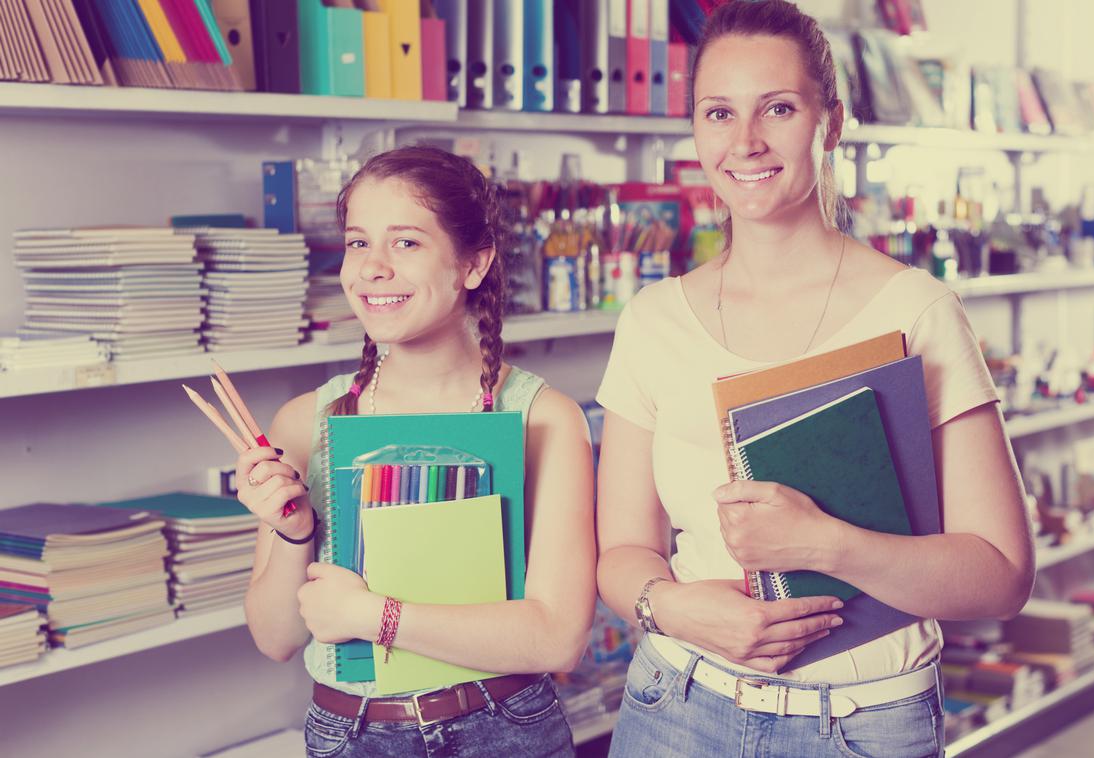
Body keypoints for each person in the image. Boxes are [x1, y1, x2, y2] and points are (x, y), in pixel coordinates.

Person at [595, 3, 1034, 756]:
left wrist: (826, 545)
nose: (746, 142)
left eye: (779, 108)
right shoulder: (652, 319)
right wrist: (671, 607)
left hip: (860, 723)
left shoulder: (914, 310)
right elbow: (621, 555)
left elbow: (999, 577)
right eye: (718, 113)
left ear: (831, 121)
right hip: (678, 704)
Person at [233, 146, 596, 758]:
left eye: (405, 243)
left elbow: (557, 639)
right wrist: (295, 531)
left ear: (473, 264)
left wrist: (371, 616)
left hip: (503, 727)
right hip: (350, 733)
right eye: (357, 243)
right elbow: (276, 638)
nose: (372, 268)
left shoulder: (541, 418)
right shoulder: (306, 422)